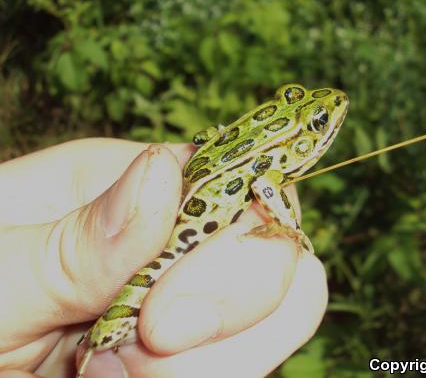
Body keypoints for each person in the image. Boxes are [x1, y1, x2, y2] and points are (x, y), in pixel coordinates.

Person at [0, 138, 328, 377]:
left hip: (185, 222)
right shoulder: (268, 170)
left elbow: (205, 138)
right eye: (315, 127)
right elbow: (266, 187)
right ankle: (99, 340)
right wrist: (289, 225)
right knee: (134, 323)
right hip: (174, 247)